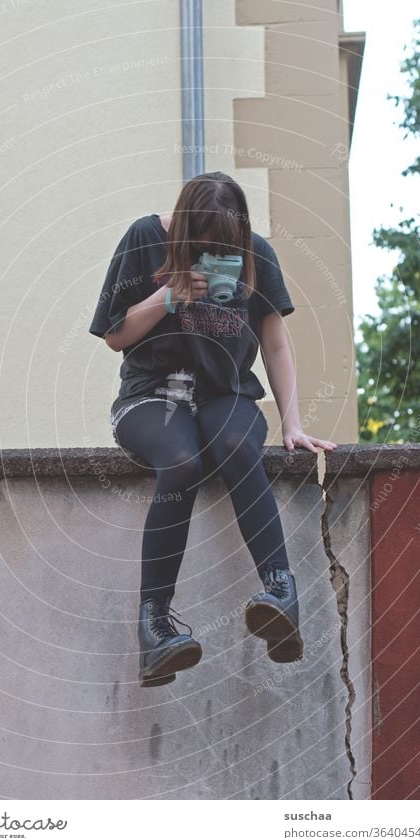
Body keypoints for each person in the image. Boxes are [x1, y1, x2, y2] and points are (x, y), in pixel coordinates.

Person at [89, 171, 337, 687]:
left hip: (226, 394)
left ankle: (280, 593)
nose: (219, 253)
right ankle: (155, 629)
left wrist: (292, 423)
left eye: (228, 245)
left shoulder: (257, 252)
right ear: (183, 230)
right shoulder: (144, 237)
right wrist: (169, 296)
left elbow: (274, 343)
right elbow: (114, 335)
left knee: (234, 444)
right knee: (181, 462)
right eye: (206, 245)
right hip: (150, 394)